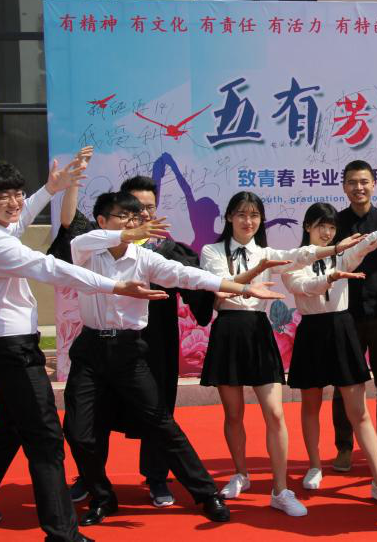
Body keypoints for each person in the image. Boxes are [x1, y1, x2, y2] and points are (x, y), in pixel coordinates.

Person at [0, 160, 166, 542]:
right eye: (4, 197)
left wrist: (50, 188)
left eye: (18, 194)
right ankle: (62, 533)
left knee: (9, 431)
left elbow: (19, 221)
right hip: (12, 353)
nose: (15, 203)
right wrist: (114, 286)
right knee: (45, 439)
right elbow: (50, 268)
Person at [63, 191, 284, 526]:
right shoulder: (86, 251)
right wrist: (126, 234)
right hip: (90, 351)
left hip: (129, 351)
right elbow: (80, 239)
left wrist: (241, 288)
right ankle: (102, 496)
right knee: (78, 430)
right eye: (123, 217)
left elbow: (187, 275)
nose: (132, 222)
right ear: (102, 221)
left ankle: (205, 493)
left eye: (135, 217)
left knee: (161, 424)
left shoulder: (145, 258)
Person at [51, 163, 217, 508]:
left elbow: (195, 281)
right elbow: (72, 227)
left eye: (149, 208)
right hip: (103, 343)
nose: (142, 215)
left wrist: (232, 289)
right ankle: (91, 480)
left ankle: (157, 478)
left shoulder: (165, 251)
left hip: (154, 344)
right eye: (135, 209)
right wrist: (70, 185)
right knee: (93, 415)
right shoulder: (97, 245)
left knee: (159, 416)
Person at [199, 191, 364, 517]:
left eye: (254, 215)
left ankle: (280, 489)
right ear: (229, 217)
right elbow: (220, 285)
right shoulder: (212, 251)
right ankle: (241, 474)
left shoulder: (267, 252)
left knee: (275, 413)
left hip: (258, 331)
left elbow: (298, 255)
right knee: (233, 414)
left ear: (261, 220)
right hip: (228, 331)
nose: (248, 221)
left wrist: (333, 249)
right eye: (242, 214)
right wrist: (258, 270)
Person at [281, 203, 377, 508]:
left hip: (342, 329)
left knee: (359, 411)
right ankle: (314, 466)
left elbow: (368, 243)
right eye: (321, 226)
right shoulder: (294, 259)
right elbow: (301, 286)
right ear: (307, 226)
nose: (327, 232)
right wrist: (330, 278)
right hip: (312, 332)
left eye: (332, 227)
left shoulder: (342, 254)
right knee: (311, 406)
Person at [331, 161, 377, 474]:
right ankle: (344, 446)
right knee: (345, 383)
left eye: (363, 182)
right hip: (346, 315)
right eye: (352, 182)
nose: (358, 188)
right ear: (344, 186)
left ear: (374, 184)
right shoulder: (334, 223)